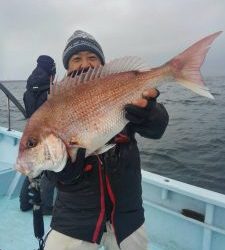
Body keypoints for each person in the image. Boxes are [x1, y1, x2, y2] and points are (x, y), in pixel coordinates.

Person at [44, 30, 169, 250]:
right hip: (74, 220)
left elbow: (157, 129)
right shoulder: (55, 105)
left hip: (127, 217)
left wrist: (150, 113)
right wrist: (61, 174)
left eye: (92, 57)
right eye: (76, 58)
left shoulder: (119, 88)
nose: (85, 64)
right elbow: (45, 163)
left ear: (102, 63)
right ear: (67, 66)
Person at [20, 55, 57, 215]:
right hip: (46, 136)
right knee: (49, 170)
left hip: (31, 134)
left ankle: (24, 203)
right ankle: (47, 207)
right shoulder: (50, 89)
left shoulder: (29, 89)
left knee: (32, 170)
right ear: (51, 70)